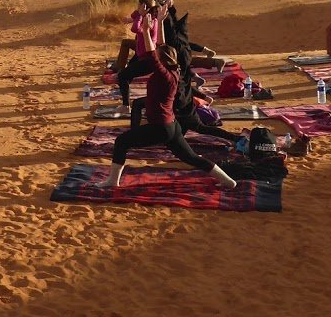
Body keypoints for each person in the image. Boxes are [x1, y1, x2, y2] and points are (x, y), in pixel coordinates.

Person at [98, 12, 237, 189]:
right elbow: (163, 47)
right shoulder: (173, 70)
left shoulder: (164, 74)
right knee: (192, 158)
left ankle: (112, 182)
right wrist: (161, 22)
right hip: (172, 126)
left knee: (121, 142)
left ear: (162, 60)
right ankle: (228, 181)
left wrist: (147, 31)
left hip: (160, 127)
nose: (154, 55)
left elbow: (151, 52)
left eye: (158, 56)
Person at [113, 0, 168, 115]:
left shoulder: (148, 20)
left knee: (122, 76)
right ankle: (125, 95)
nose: (137, 8)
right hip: (141, 56)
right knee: (126, 75)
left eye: (139, 6)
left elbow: (135, 29)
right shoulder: (151, 18)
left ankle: (126, 106)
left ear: (145, 8)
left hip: (147, 59)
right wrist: (138, 12)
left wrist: (140, 15)